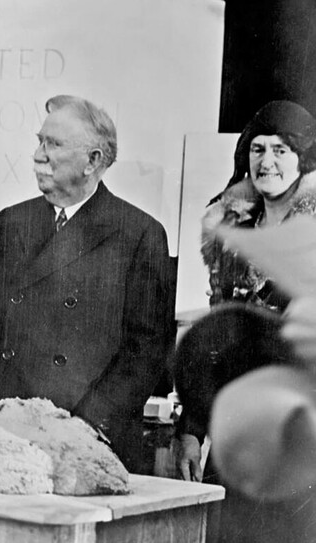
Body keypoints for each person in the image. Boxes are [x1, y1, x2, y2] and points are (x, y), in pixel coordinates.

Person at [0, 94, 175, 474]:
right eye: (39, 141)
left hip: (84, 442)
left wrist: (86, 427)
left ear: (93, 161)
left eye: (53, 144)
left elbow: (147, 350)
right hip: (3, 430)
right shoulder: (10, 222)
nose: (38, 155)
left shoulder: (139, 234)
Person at [173, 100, 316, 543]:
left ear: (304, 159)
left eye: (281, 150)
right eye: (258, 149)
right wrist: (192, 430)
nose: (267, 161)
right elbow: (219, 340)